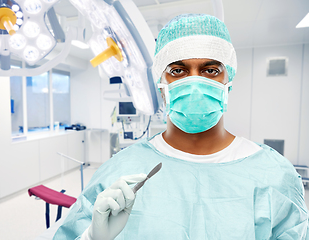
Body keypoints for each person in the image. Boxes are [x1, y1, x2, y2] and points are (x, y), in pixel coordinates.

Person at [53, 14, 309, 240]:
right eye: (178, 71)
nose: (194, 82)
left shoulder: (275, 177)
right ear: (160, 84)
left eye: (210, 70)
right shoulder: (119, 173)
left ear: (228, 82)